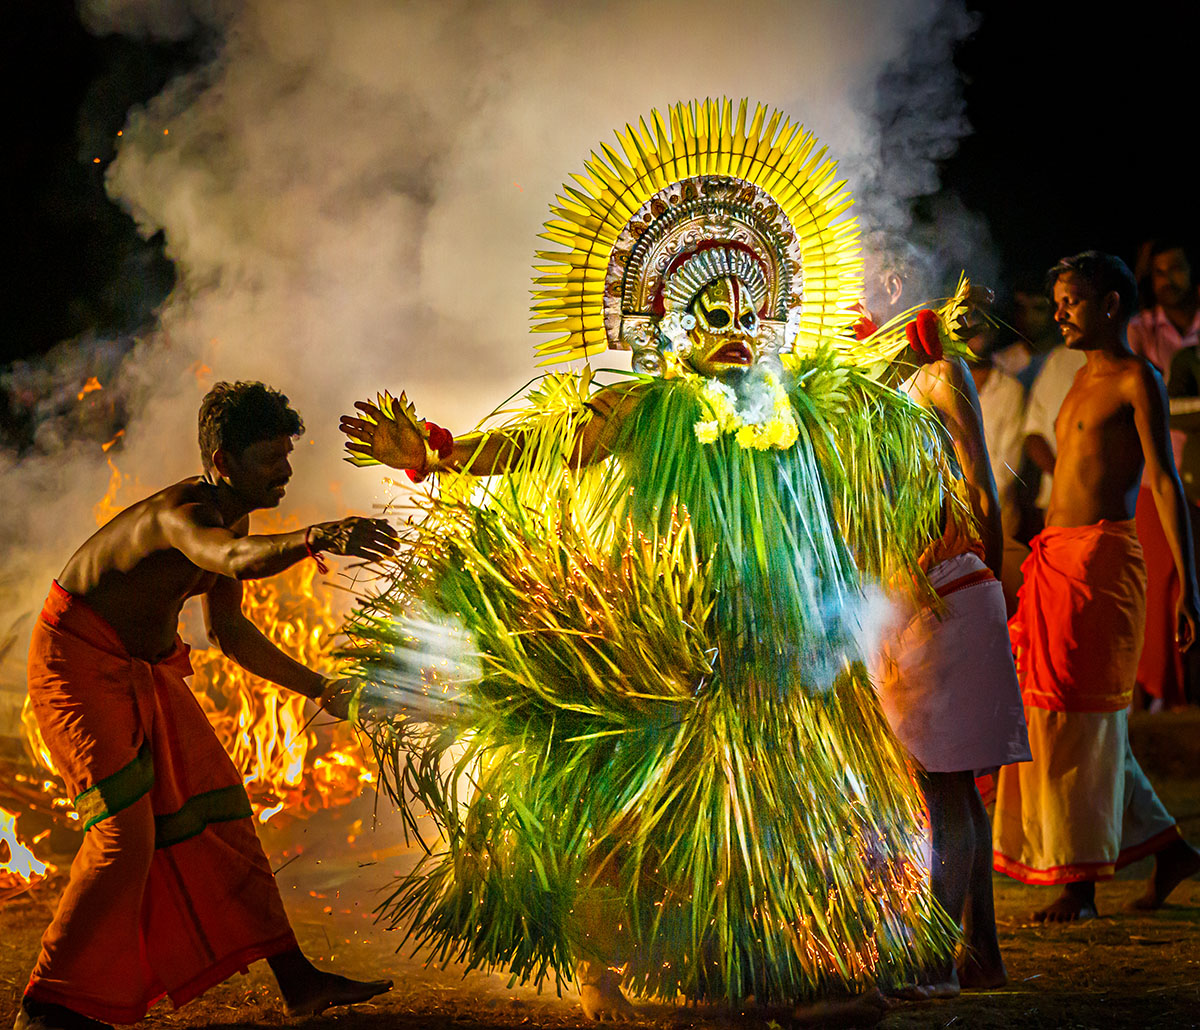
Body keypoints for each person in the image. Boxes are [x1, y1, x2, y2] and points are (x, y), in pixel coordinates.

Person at [337, 100, 960, 1024]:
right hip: (685, 647)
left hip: (791, 650)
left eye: (751, 310)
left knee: (796, 808)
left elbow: (869, 393)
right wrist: (439, 452)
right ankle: (599, 970)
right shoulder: (642, 408)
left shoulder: (794, 398)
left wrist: (918, 341)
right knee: (640, 809)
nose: (736, 326)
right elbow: (542, 447)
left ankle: (794, 971)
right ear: (672, 326)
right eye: (714, 313)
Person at [16, 381, 399, 1030]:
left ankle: (299, 982)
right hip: (74, 664)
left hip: (143, 668)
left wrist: (319, 687)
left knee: (222, 814)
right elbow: (233, 559)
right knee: (123, 838)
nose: (285, 471)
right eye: (269, 458)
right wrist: (320, 536)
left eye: (286, 456)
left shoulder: (234, 516)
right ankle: (44, 1005)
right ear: (223, 461)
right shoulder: (183, 516)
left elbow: (229, 633)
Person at [991, 252, 1200, 921]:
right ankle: (1169, 850)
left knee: (1078, 719)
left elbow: (1164, 481)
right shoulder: (1077, 377)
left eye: (1072, 301)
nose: (1058, 314)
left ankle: (1079, 886)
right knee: (1055, 713)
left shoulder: (1139, 380)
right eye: (1056, 302)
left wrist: (1188, 586)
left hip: (1101, 564)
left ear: (1110, 305)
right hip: (1056, 559)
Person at [869, 296, 1030, 998]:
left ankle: (935, 965)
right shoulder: (867, 385)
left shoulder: (941, 373)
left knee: (945, 784)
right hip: (906, 599)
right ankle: (981, 953)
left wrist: (989, 584)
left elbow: (982, 487)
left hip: (951, 587)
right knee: (949, 783)